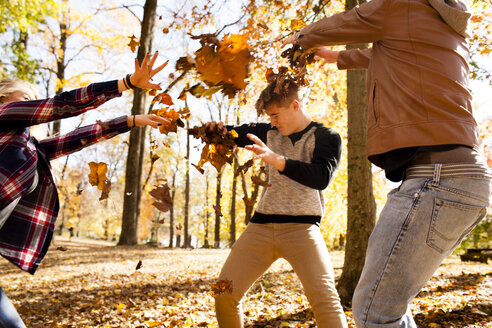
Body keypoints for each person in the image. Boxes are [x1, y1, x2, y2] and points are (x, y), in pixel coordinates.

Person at [283, 0, 491, 327]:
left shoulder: (401, 5)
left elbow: (347, 21)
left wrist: (299, 37)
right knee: (389, 303)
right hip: (467, 178)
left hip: (437, 178)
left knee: (373, 308)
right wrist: (340, 58)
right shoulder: (448, 23)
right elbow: (399, 54)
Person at [0, 52, 170, 327]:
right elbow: (60, 105)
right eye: (26, 97)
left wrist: (130, 121)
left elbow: (73, 139)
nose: (32, 103)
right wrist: (125, 83)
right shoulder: (3, 114)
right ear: (3, 98)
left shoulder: (29, 146)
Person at [210, 80, 348, 328]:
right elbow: (231, 133)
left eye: (275, 115)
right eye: (269, 117)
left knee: (325, 300)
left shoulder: (327, 137)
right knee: (224, 293)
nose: (272, 121)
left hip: (303, 230)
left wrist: (277, 160)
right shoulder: (267, 132)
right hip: (260, 228)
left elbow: (320, 177)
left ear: (295, 106)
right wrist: (212, 130)